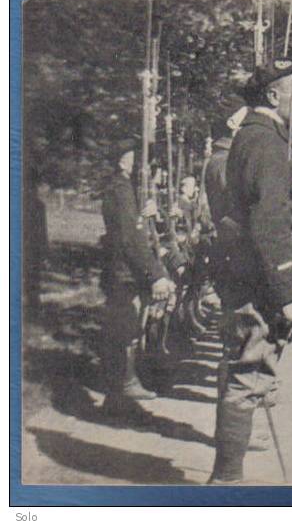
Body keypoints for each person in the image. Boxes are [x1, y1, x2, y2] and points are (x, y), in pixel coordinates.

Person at [208, 57, 292, 484]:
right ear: (275, 95)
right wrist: (289, 293)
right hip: (260, 283)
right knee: (249, 374)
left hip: (252, 278)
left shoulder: (262, 138)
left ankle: (226, 479)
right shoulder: (267, 143)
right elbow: (270, 221)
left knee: (247, 371)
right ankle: (225, 485)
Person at [99, 140, 176, 411]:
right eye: (135, 158)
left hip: (127, 269)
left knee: (130, 328)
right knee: (124, 329)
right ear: (122, 160)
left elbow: (136, 230)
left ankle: (124, 386)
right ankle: (120, 388)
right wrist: (154, 274)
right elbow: (130, 238)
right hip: (122, 271)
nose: (142, 165)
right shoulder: (120, 190)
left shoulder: (127, 189)